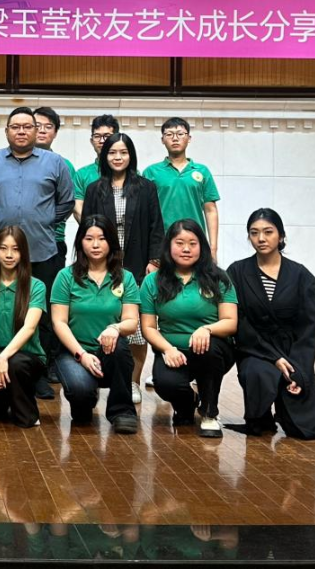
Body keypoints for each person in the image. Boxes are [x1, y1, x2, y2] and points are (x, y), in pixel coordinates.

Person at [0, 107, 73, 400]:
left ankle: (39, 373)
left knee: (42, 316)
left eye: (27, 126)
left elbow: (66, 202)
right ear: (6, 131)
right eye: (15, 127)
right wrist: (0, 220)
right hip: (1, 253)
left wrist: (43, 220)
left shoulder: (55, 162)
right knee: (0, 312)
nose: (21, 131)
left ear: (36, 130)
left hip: (42, 251)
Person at [226, 209, 315, 439]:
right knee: (258, 374)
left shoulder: (302, 277)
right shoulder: (237, 272)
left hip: (292, 351)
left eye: (268, 232)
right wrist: (273, 357)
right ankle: (260, 416)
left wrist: (300, 370)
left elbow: (308, 330)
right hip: (255, 348)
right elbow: (240, 322)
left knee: (300, 426)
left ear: (281, 236)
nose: (261, 238)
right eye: (254, 233)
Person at [81, 133, 164, 402]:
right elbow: (86, 229)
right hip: (101, 264)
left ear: (131, 156)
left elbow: (156, 227)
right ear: (104, 156)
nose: (118, 157)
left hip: (137, 264)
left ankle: (133, 382)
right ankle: (94, 376)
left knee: (136, 331)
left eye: (123, 152)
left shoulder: (146, 187)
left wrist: (155, 261)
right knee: (101, 320)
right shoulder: (95, 189)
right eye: (112, 152)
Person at [140, 219, 237, 438]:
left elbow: (230, 321)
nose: (186, 249)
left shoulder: (218, 278)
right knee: (165, 384)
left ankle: (209, 412)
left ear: (202, 247)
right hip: (173, 351)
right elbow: (148, 327)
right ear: (169, 246)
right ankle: (188, 403)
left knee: (209, 349)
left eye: (193, 243)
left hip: (212, 350)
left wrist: (207, 329)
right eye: (180, 243)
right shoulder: (152, 281)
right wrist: (167, 349)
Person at [50, 216, 140, 434]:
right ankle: (85, 398)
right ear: (80, 242)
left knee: (119, 346)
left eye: (102, 238)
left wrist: (115, 328)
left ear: (111, 242)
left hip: (108, 350)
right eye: (89, 238)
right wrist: (81, 355)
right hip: (73, 352)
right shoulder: (65, 276)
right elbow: (59, 322)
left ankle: (122, 412)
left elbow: (131, 321)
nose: (96, 244)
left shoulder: (125, 277)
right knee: (81, 394)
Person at [0, 226, 47, 428]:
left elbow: (29, 328)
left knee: (15, 365)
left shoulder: (36, 286)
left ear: (24, 253)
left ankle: (27, 412)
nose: (9, 255)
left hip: (27, 357)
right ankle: (7, 397)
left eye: (16, 249)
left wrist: (4, 357)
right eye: (3, 248)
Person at [142, 118, 220, 261]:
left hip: (194, 242)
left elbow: (210, 210)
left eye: (180, 134)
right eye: (169, 134)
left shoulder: (202, 171)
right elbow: (144, 213)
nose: (175, 138)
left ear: (189, 138)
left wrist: (213, 249)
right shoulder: (151, 172)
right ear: (162, 140)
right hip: (162, 243)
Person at [34, 106, 77, 258]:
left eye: (48, 126)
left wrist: (44, 222)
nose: (42, 130)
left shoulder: (64, 165)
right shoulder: (14, 161)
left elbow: (68, 203)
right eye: (37, 126)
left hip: (53, 239)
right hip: (17, 239)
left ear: (55, 133)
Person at [72, 114, 119, 222]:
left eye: (107, 136)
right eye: (97, 136)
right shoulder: (82, 174)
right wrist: (94, 228)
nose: (102, 141)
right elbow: (78, 208)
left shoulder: (131, 172)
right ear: (91, 141)